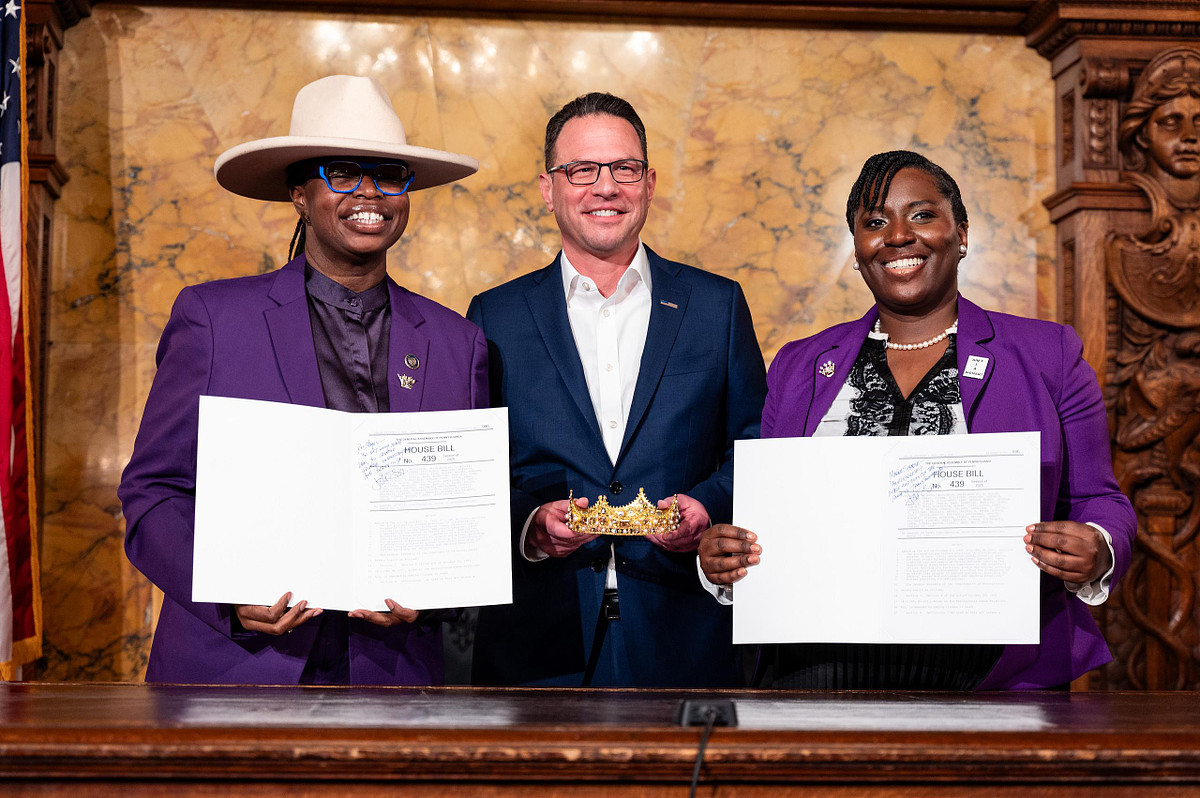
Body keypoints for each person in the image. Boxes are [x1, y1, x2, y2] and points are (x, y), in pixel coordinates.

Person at [699, 150, 1136, 690]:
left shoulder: (1048, 355)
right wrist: (722, 561)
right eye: (875, 222)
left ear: (962, 233)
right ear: (857, 248)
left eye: (923, 215)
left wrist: (1097, 548)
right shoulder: (800, 365)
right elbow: (764, 522)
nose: (898, 236)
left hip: (991, 679)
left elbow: (1101, 499)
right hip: (816, 673)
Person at [118, 75, 487, 685]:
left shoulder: (458, 342)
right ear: (298, 192)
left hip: (394, 679)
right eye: (342, 172)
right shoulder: (214, 319)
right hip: (236, 672)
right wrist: (227, 597)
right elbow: (152, 492)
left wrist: (438, 591)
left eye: (389, 175)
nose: (369, 193)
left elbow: (466, 516)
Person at [468, 92, 767, 687]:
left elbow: (756, 442)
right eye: (582, 170)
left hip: (683, 635)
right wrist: (530, 522)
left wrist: (706, 504)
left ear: (649, 184)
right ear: (550, 189)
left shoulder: (716, 306)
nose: (605, 187)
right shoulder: (494, 316)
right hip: (539, 645)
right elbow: (471, 466)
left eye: (624, 169)